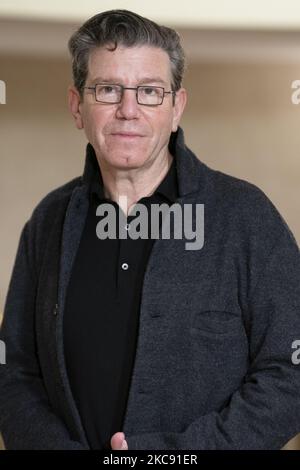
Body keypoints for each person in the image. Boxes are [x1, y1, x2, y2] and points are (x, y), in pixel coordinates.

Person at [0, 9, 300, 451]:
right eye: (107, 90)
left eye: (149, 92)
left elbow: (289, 374)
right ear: (76, 106)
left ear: (176, 108)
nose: (128, 110)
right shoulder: (49, 221)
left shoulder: (246, 218)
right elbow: (15, 372)